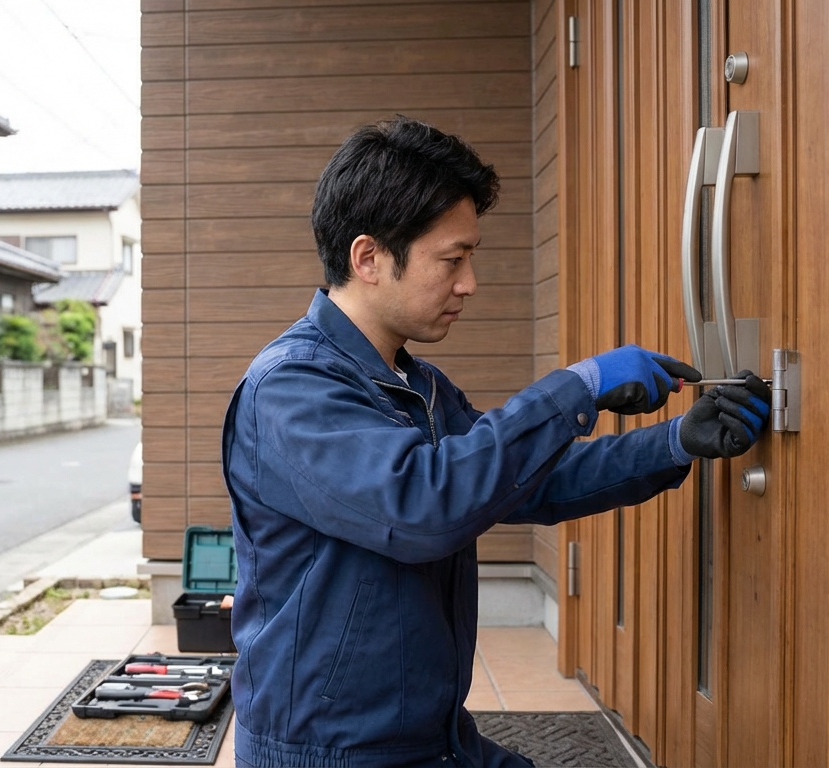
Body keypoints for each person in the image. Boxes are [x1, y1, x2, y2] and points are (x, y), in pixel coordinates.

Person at [219, 116, 773, 768]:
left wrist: (676, 441)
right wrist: (579, 386)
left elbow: (521, 478)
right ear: (367, 258)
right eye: (452, 260)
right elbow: (423, 506)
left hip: (428, 737)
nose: (468, 284)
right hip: (332, 753)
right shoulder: (291, 390)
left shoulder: (414, 383)